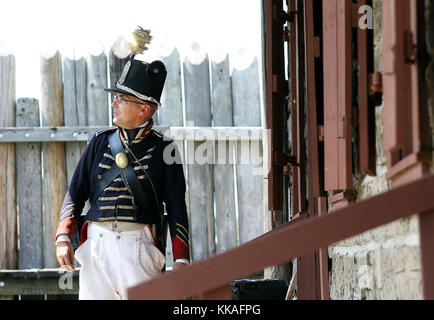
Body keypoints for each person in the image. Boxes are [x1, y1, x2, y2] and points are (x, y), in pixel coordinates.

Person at [55, 56, 190, 300]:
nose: (114, 104)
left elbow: (177, 207)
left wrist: (181, 259)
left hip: (138, 248)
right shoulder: (99, 142)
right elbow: (75, 192)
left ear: (143, 108)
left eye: (122, 99)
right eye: (116, 98)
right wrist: (63, 236)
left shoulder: (165, 150)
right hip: (96, 247)